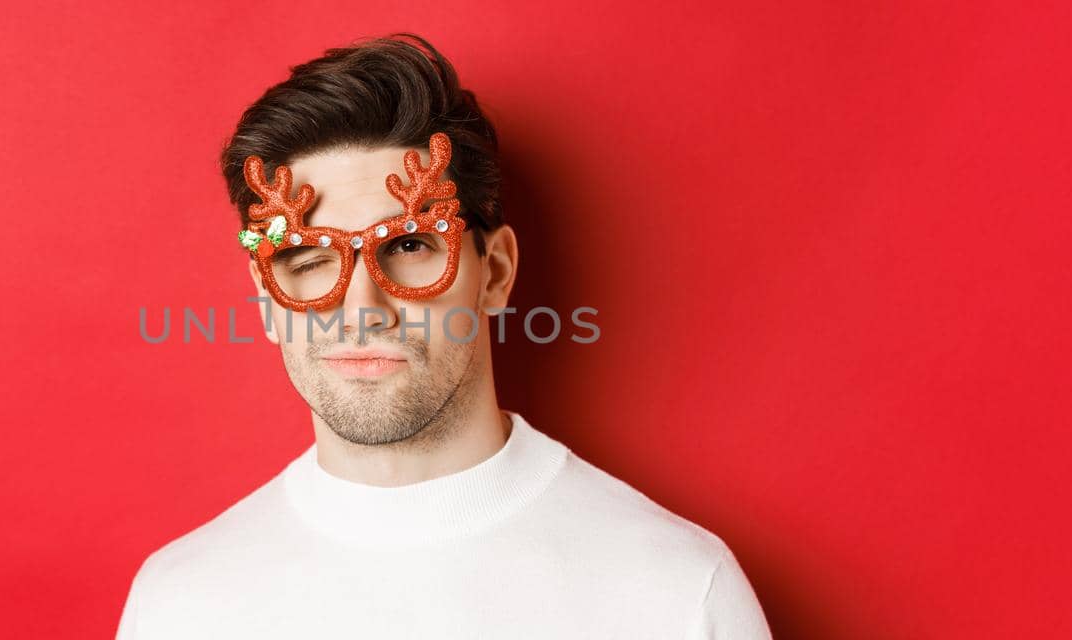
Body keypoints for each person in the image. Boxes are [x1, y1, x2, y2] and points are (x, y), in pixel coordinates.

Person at [116, 33, 772, 639]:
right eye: (309, 260)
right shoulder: (182, 605)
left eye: (408, 245)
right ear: (265, 300)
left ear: (497, 273)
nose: (361, 307)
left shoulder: (678, 594)